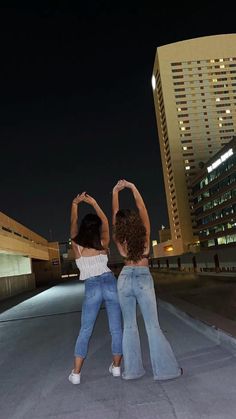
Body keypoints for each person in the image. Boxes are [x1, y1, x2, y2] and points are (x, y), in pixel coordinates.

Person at [112, 180, 182, 381]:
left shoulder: (118, 236)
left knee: (129, 326)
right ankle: (165, 371)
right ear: (135, 221)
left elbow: (115, 212)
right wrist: (133, 187)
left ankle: (132, 371)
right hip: (142, 276)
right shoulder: (144, 232)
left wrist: (115, 193)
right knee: (152, 326)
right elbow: (142, 207)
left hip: (124, 278)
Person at [69, 192, 123, 384]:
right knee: (116, 328)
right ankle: (116, 367)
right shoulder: (103, 243)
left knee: (85, 329)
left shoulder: (76, 245)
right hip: (109, 281)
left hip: (92, 285)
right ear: (97, 229)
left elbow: (73, 223)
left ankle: (76, 373)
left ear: (83, 228)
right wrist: (94, 202)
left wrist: (75, 204)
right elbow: (106, 220)